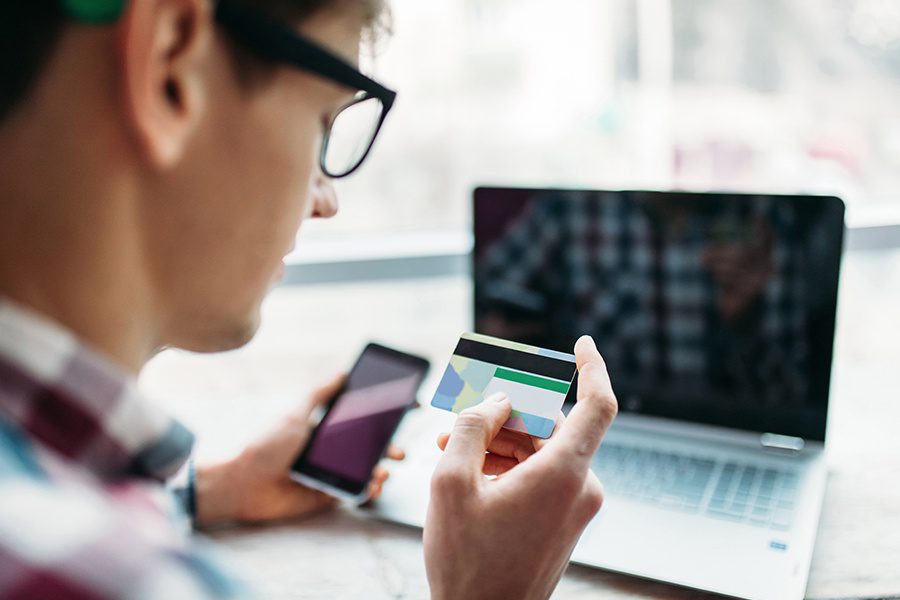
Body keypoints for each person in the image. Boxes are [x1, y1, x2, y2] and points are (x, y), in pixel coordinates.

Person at [0, 0, 618, 598]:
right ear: (169, 64)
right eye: (324, 123)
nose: (326, 200)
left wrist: (216, 489)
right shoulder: (120, 580)